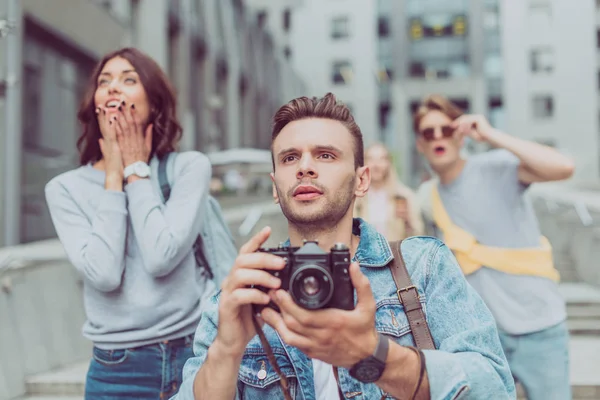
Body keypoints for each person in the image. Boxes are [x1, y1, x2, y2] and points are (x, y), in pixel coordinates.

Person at [172, 93, 516, 400]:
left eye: (325, 155)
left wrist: (375, 356)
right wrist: (227, 350)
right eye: (290, 158)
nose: (305, 167)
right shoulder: (241, 297)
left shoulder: (423, 267)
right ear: (275, 187)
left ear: (362, 180)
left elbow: (497, 389)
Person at [45, 47, 214, 399]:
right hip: (116, 370)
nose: (113, 88)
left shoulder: (188, 168)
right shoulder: (64, 189)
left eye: (129, 79)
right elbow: (104, 274)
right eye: (104, 82)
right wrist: (113, 179)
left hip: (193, 356)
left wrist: (136, 172)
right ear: (95, 104)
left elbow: (160, 255)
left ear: (154, 103)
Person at [413, 94, 574, 400]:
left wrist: (490, 135)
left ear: (459, 135)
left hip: (539, 326)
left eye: (445, 129)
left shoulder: (495, 167)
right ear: (420, 144)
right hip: (484, 339)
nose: (437, 137)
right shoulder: (427, 197)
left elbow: (564, 167)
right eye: (428, 133)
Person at [354, 142, 424, 240]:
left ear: (389, 163)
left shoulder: (403, 196)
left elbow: (419, 236)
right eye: (370, 159)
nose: (376, 165)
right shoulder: (355, 197)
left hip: (395, 252)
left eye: (382, 159)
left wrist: (408, 221)